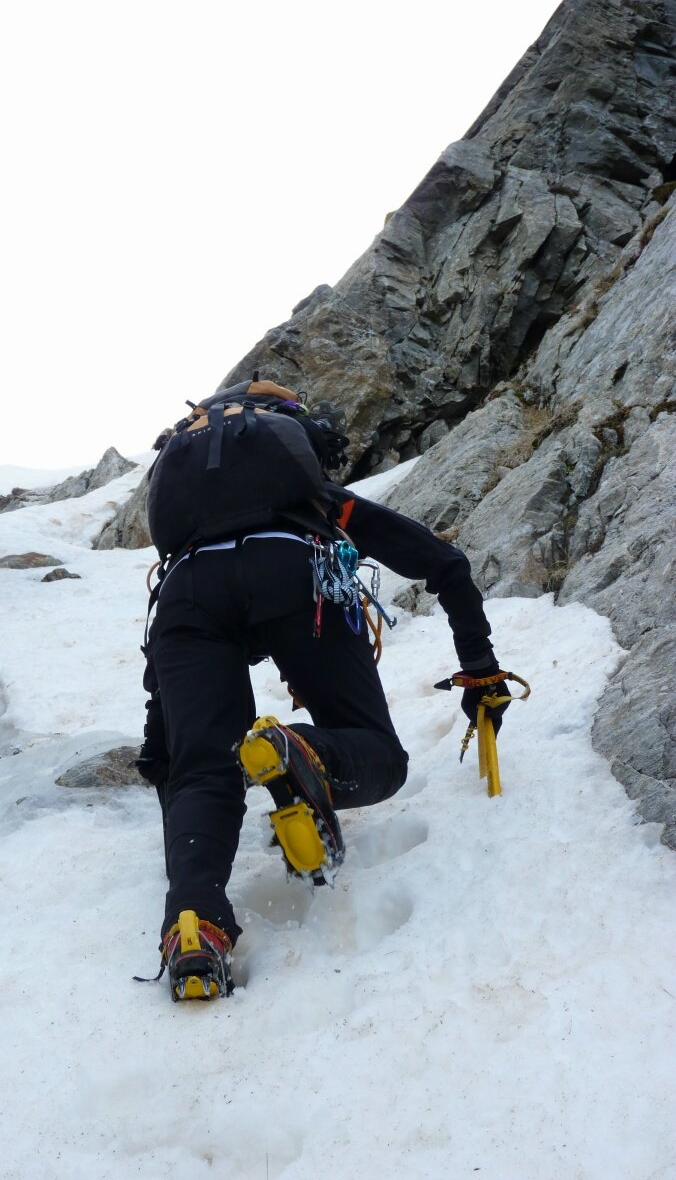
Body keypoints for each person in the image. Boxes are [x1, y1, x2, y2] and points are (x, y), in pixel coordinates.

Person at [136, 382, 509, 1002]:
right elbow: (444, 563)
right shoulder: (307, 498)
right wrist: (480, 669)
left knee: (203, 772)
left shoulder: (191, 523)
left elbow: (163, 689)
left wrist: (163, 755)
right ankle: (305, 753)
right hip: (293, 567)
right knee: (378, 756)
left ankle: (195, 924)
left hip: (186, 591)